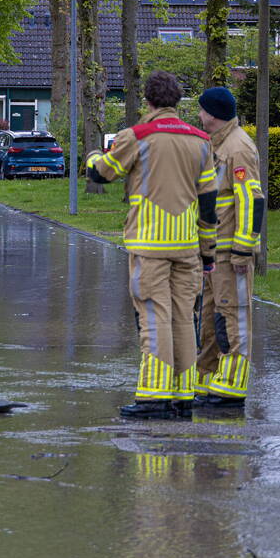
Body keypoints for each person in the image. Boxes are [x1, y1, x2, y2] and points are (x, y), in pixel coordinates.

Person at [86, 71, 218, 420]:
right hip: (187, 244)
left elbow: (103, 173)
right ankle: (182, 394)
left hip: (149, 244)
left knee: (153, 316)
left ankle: (154, 396)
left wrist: (91, 158)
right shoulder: (201, 141)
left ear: (148, 101)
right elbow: (208, 203)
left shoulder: (138, 136)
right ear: (177, 101)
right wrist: (208, 252)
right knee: (183, 318)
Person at [193, 87, 265, 409]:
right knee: (211, 318)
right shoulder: (216, 144)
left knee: (233, 317)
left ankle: (232, 385)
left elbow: (250, 200)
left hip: (230, 254)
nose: (198, 115)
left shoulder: (238, 148)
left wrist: (242, 251)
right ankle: (207, 378)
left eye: (201, 110)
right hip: (213, 253)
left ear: (211, 113)